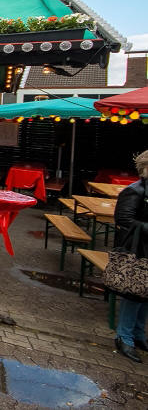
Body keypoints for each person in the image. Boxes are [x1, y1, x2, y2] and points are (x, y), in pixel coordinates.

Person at [112, 149, 148, 363]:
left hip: (145, 248)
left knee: (145, 294)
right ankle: (124, 336)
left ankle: (138, 334)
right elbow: (123, 220)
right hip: (136, 251)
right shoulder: (134, 191)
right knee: (134, 294)